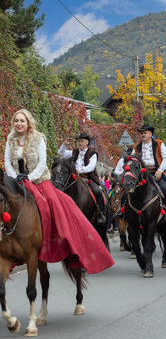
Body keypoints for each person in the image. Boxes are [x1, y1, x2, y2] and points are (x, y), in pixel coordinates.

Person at [4, 109, 114, 273]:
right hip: (15, 180)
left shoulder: (39, 138)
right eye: (16, 121)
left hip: (39, 180)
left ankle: (99, 215)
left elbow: (42, 164)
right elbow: (7, 162)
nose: (19, 124)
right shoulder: (11, 139)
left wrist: (28, 178)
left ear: (28, 123)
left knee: (56, 204)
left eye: (22, 121)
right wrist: (15, 178)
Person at [58, 132, 106, 224]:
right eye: (79, 141)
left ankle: (101, 213)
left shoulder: (92, 154)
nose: (80, 143)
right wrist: (64, 144)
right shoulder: (74, 152)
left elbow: (91, 167)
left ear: (87, 142)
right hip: (74, 179)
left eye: (82, 141)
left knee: (97, 192)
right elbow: (61, 152)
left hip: (88, 178)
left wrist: (80, 170)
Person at [133, 124, 166, 221]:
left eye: (145, 133)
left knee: (164, 189)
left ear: (150, 134)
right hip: (142, 174)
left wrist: (160, 171)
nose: (142, 135)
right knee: (130, 189)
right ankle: (125, 212)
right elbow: (133, 160)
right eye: (141, 133)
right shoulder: (136, 147)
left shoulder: (159, 143)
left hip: (157, 173)